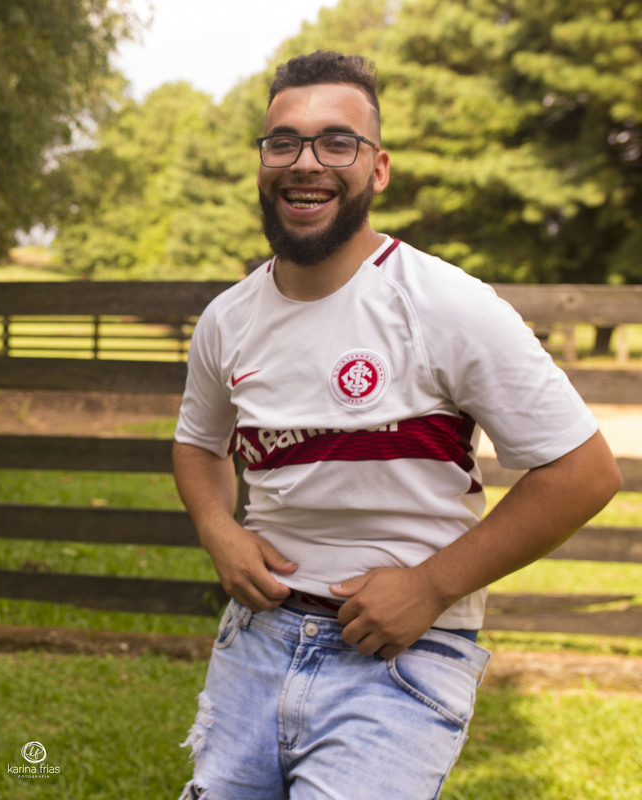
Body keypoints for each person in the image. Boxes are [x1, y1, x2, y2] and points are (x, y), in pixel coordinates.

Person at [172, 51, 621, 799]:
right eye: (283, 142)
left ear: (377, 169)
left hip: (401, 654)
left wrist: (432, 587)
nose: (305, 162)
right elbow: (197, 445)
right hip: (255, 640)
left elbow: (584, 472)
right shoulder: (227, 319)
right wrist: (218, 529)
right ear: (262, 163)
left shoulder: (448, 304)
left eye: (336, 142)